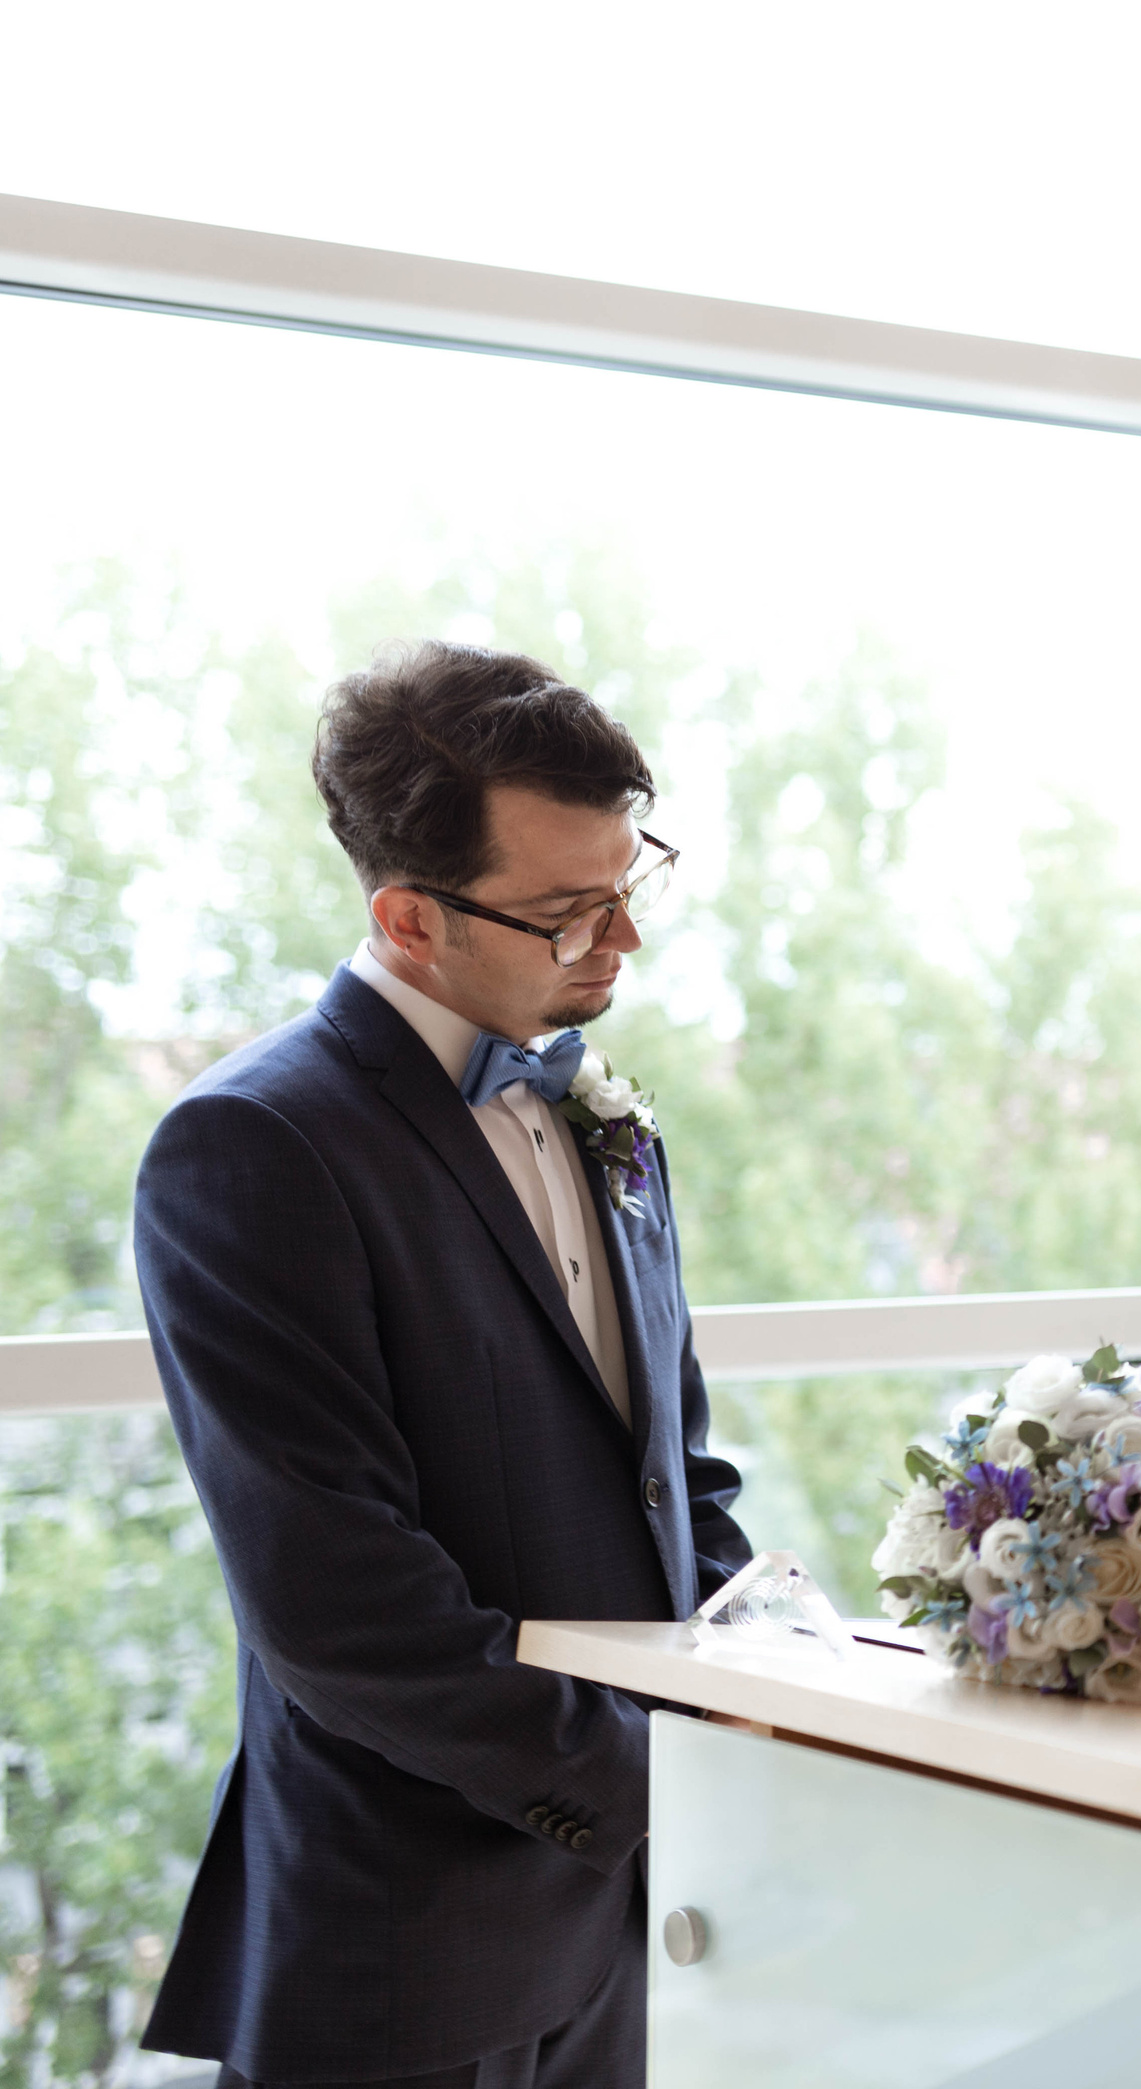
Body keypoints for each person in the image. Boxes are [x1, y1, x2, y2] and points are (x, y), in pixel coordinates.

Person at [134, 642, 752, 2088]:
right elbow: (341, 1605)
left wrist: (792, 1686)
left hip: (622, 1937)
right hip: (403, 1945)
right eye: (564, 913)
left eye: (630, 886)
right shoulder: (253, 1147)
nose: (620, 943)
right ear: (408, 917)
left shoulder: (611, 1119)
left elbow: (674, 1472)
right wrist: (661, 1776)